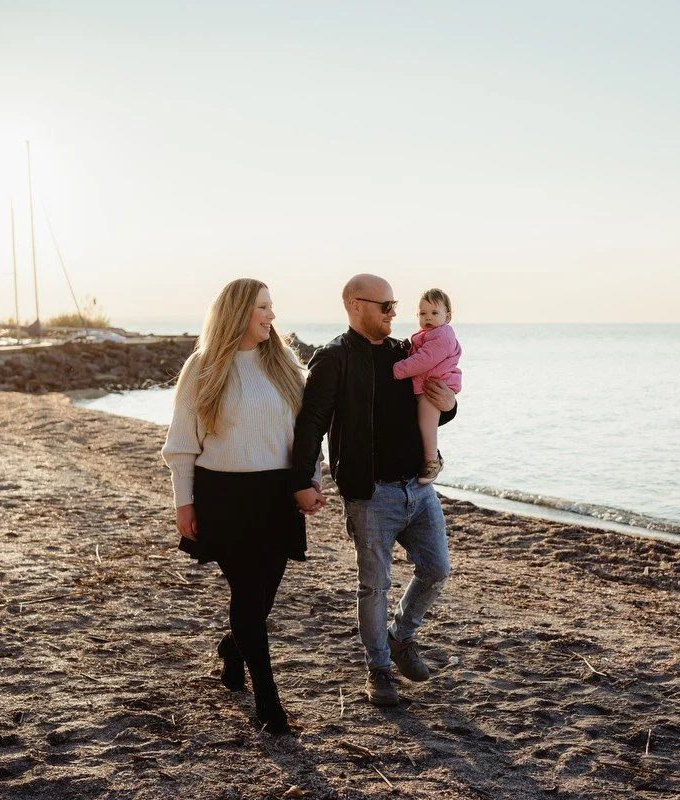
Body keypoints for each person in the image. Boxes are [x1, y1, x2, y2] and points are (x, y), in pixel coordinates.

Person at [162, 278, 323, 734]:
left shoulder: (285, 365)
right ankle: (269, 705)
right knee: (249, 600)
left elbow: (305, 433)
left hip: (276, 497)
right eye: (263, 308)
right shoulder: (204, 366)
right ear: (237, 313)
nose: (272, 316)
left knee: (261, 599)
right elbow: (180, 445)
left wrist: (308, 479)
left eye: (272, 307)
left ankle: (233, 650)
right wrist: (183, 504)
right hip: (224, 497)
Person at [291, 274, 457, 707]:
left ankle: (401, 636)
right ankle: (378, 668)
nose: (394, 313)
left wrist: (450, 404)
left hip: (419, 490)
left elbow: (436, 406)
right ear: (354, 305)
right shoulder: (333, 358)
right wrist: (304, 480)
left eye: (394, 305)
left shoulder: (406, 350)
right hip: (371, 495)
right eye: (385, 306)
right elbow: (311, 424)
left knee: (437, 569)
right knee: (374, 586)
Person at [392, 288, 462, 484]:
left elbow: (424, 360)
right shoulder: (425, 335)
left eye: (434, 313)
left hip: (433, 386)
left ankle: (431, 460)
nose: (428, 317)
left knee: (427, 422)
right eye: (423, 313)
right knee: (421, 421)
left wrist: (398, 369)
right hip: (426, 383)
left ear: (447, 317)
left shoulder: (443, 335)